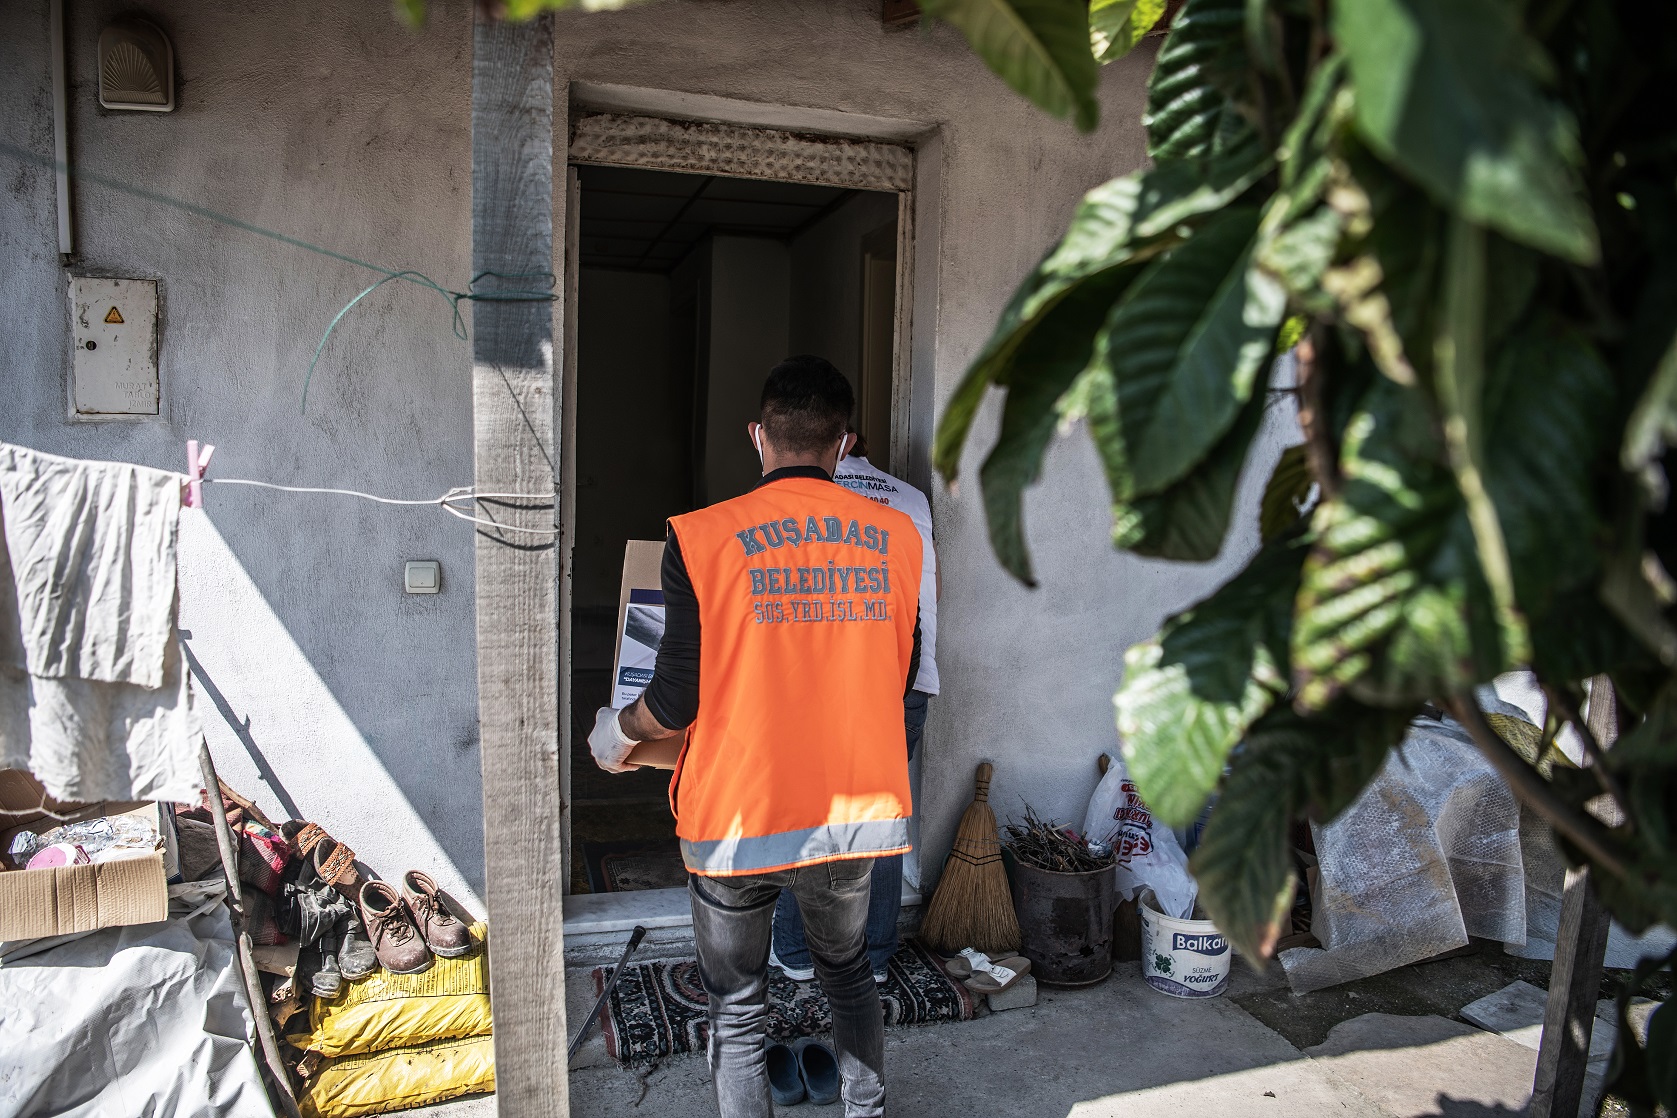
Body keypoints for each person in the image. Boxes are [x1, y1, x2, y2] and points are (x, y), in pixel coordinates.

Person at [588, 355, 922, 1118]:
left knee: (738, 1007)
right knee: (847, 976)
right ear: (844, 445)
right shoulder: (898, 536)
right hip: (849, 815)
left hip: (736, 815)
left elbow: (673, 701)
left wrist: (617, 733)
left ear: (757, 436)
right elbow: (898, 677)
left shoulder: (703, 536)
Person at [770, 430, 939, 984]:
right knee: (881, 814)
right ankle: (876, 956)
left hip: (838, 682)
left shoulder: (809, 499)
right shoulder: (911, 500)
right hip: (911, 681)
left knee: (809, 809)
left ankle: (797, 951)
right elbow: (926, 598)